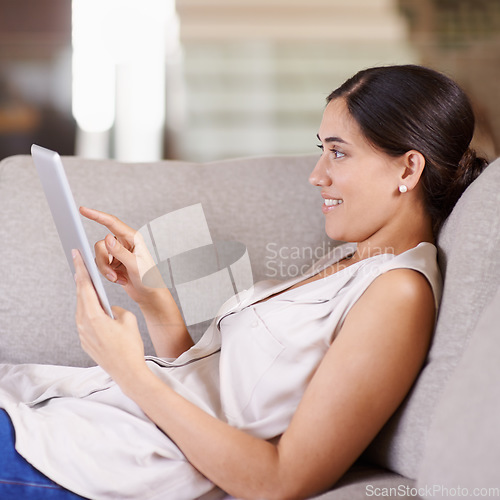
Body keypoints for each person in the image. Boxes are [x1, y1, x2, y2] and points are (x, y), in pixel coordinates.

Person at [0, 65, 489, 500]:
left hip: (84, 459)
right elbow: (216, 395)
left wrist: (130, 371)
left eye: (338, 154)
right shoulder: (350, 261)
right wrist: (155, 298)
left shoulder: (398, 293)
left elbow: (281, 481)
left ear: (408, 167)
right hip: (62, 413)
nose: (317, 175)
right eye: (322, 151)